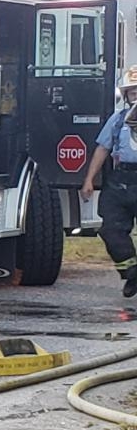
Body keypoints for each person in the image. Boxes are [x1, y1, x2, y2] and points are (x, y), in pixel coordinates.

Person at [82, 64, 137, 297]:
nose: (135, 94)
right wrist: (89, 180)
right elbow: (103, 149)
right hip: (121, 180)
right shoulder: (118, 120)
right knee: (111, 231)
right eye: (132, 91)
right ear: (125, 95)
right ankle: (132, 274)